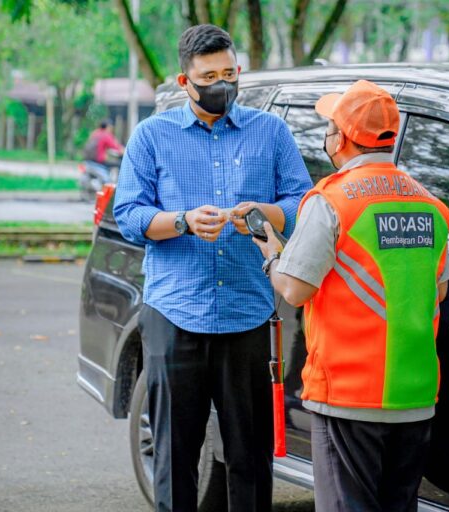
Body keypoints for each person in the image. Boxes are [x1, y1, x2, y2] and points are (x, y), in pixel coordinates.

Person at [112, 24, 312, 512]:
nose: (221, 83)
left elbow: (303, 201)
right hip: (175, 314)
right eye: (208, 76)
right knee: (176, 459)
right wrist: (180, 221)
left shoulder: (271, 132)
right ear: (186, 82)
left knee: (250, 458)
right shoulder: (152, 136)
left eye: (229, 72)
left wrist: (265, 214)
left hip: (247, 314)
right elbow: (129, 214)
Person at [253, 79, 449, 512]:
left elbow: (295, 287)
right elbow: (439, 289)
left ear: (340, 138)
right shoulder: (430, 206)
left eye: (329, 126)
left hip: (348, 396)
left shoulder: (332, 201)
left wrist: (271, 254)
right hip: (415, 396)